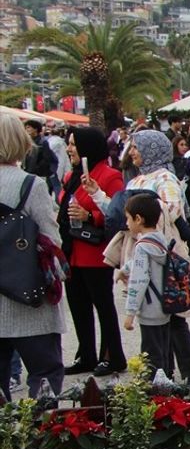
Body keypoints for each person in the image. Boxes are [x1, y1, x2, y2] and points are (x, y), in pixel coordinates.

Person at [0, 113, 65, 401]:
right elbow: (52, 241)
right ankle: (45, 436)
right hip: (28, 295)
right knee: (44, 374)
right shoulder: (32, 185)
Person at [59, 127, 127, 377]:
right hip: (72, 252)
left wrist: (90, 216)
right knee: (78, 306)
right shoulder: (70, 177)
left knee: (103, 306)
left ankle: (112, 356)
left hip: (95, 253)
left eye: (74, 144)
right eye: (69, 144)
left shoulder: (109, 176)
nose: (69, 149)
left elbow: (118, 214)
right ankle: (85, 354)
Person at [120, 194, 190, 379]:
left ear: (139, 219)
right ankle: (166, 382)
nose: (127, 223)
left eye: (128, 218)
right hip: (164, 306)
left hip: (149, 309)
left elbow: (139, 282)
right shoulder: (160, 240)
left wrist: (130, 314)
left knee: (151, 355)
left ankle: (156, 390)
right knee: (162, 348)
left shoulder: (142, 247)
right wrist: (125, 268)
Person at [22, 120, 58, 193]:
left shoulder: (43, 143)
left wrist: (36, 169)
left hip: (39, 176)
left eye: (28, 127)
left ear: (35, 129)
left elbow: (47, 159)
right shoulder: (28, 142)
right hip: (29, 174)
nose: (26, 130)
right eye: (25, 128)